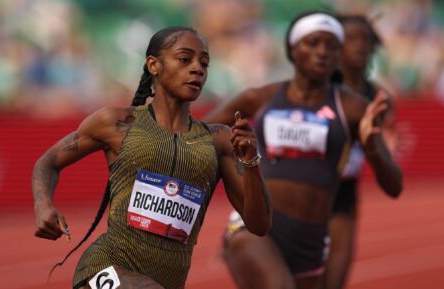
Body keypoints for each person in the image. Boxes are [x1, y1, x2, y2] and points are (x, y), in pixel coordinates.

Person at [32, 26, 272, 289]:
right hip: (105, 268)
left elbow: (259, 225)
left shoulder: (218, 141)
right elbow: (48, 162)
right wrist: (43, 206)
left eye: (204, 63)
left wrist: (251, 162)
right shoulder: (117, 123)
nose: (198, 69)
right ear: (154, 65)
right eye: (185, 59)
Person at [203, 11, 402, 289]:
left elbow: (394, 186)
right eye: (313, 43)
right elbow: (198, 135)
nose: (322, 52)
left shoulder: (354, 109)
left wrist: (372, 148)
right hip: (257, 228)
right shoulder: (260, 98)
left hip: (311, 242)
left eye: (331, 46)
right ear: (292, 50)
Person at [321, 14, 398, 289]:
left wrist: (381, 146)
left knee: (335, 279)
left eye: (366, 39)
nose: (360, 46)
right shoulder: (318, 88)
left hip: (344, 193)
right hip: (307, 187)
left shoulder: (379, 99)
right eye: (351, 38)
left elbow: (393, 179)